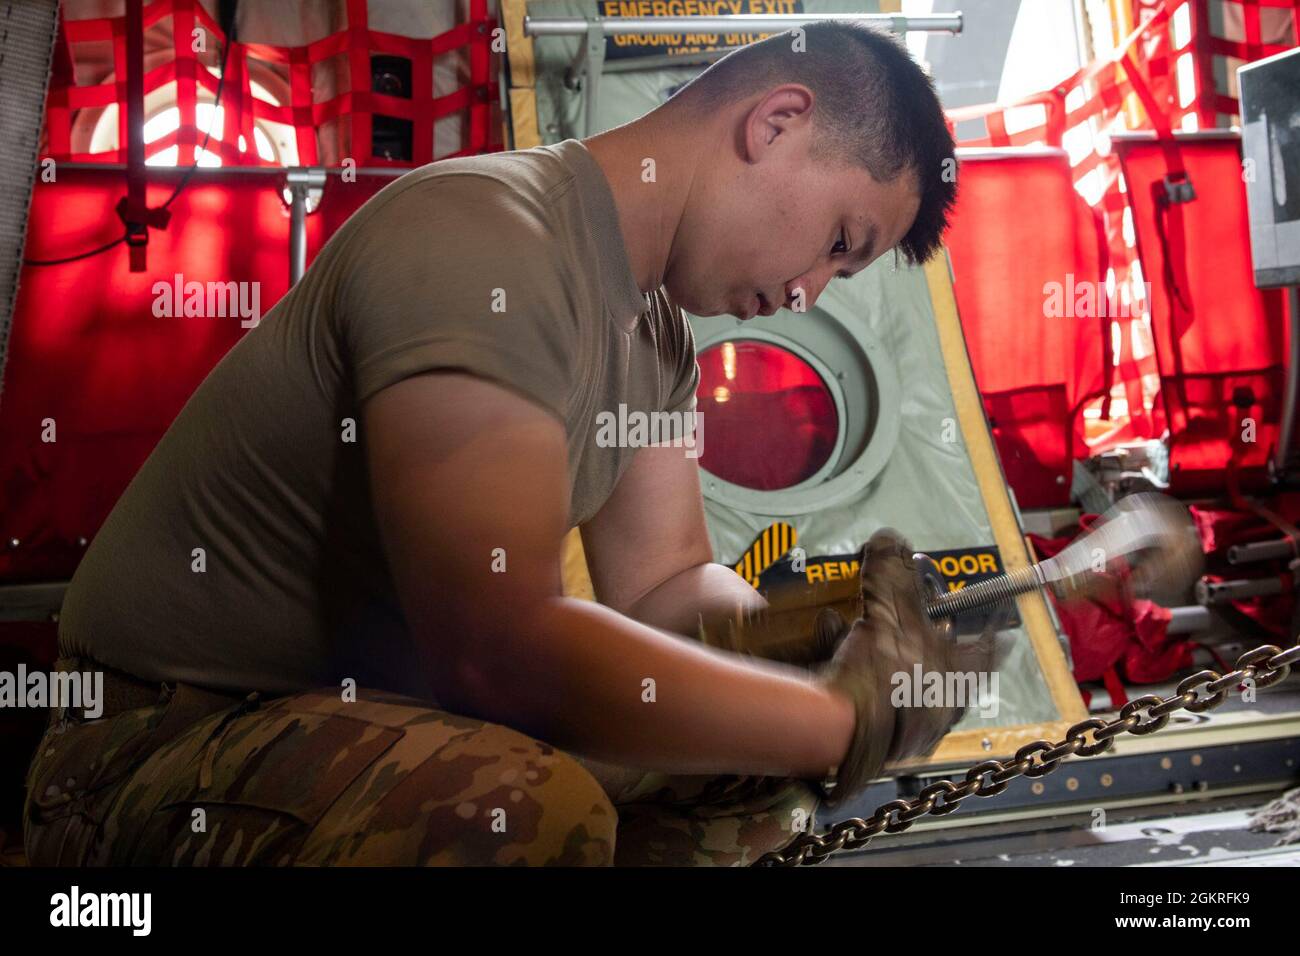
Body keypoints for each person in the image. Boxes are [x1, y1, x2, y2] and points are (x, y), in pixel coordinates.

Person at [25, 19, 960, 866]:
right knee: (516, 810)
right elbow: (497, 650)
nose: (812, 293)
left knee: (749, 780)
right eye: (841, 241)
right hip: (152, 741)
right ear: (777, 122)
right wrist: (834, 721)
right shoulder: (487, 235)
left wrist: (805, 638)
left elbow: (663, 585)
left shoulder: (658, 339)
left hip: (357, 719)